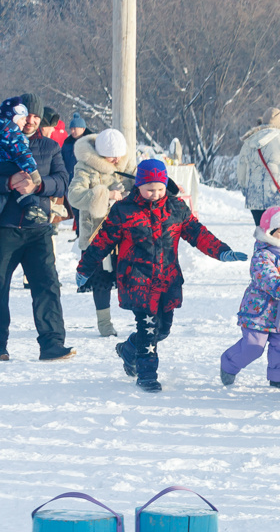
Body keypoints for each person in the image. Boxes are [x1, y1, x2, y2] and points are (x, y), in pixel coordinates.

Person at [77, 159, 244, 391]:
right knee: (148, 330)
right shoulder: (124, 210)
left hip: (167, 280)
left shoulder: (176, 208)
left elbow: (198, 233)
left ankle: (128, 350)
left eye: (160, 189)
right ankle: (146, 375)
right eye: (149, 190)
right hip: (137, 280)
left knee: (162, 330)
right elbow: (102, 241)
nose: (155, 194)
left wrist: (223, 251)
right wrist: (85, 268)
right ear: (138, 186)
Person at [0, 96, 72, 363]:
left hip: (39, 228)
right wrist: (8, 182)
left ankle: (52, 344)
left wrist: (38, 187)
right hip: (5, 228)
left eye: (36, 117)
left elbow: (64, 182)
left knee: (47, 285)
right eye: (27, 115)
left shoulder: (51, 147)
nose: (31, 121)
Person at [219, 208, 280, 388]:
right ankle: (228, 363)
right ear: (269, 233)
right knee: (253, 347)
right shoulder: (263, 255)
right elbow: (267, 276)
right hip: (259, 311)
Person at [68, 127, 136, 338]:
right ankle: (104, 323)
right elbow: (74, 196)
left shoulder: (128, 164)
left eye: (118, 154)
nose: (115, 159)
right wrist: (105, 195)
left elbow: (141, 184)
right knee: (102, 280)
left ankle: (143, 318)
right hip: (98, 231)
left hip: (126, 231)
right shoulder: (85, 166)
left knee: (134, 274)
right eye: (110, 154)